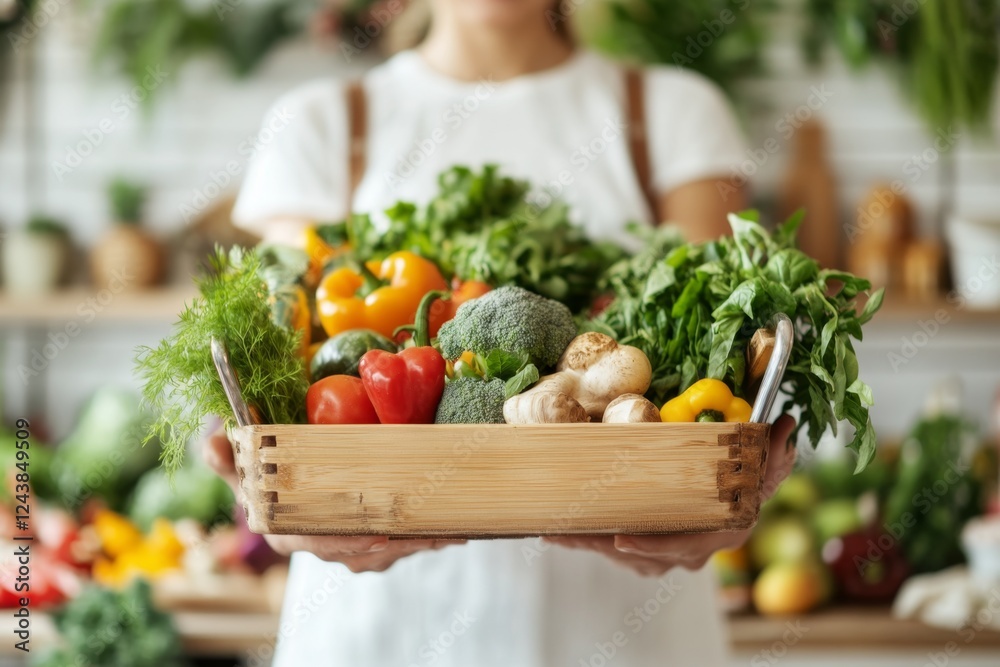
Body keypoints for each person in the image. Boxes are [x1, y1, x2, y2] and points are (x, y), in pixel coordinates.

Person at [205, 0, 798, 664]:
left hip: (622, 632)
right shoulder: (318, 123)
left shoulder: (674, 111)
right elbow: (283, 360)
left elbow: (725, 345)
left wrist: (723, 499)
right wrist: (276, 498)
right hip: (382, 633)